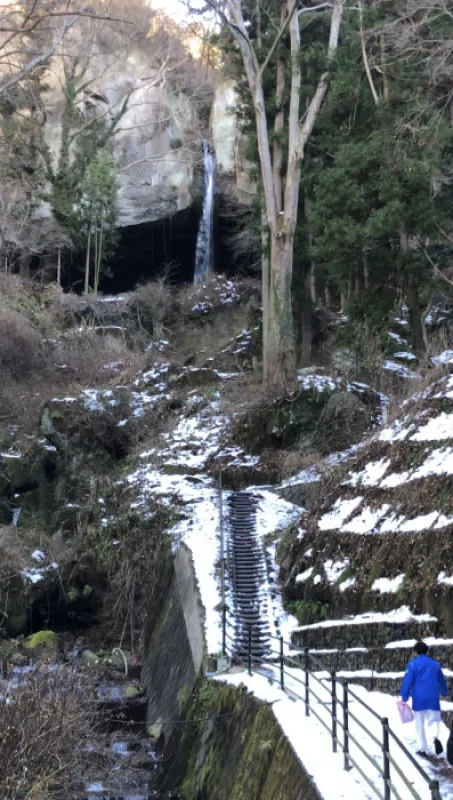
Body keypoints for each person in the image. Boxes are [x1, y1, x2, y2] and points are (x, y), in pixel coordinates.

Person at [400, 640, 448, 756]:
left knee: (419, 725)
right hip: (433, 699)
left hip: (419, 699)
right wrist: (444, 691)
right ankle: (435, 738)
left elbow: (407, 681)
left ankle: (422, 749)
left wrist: (404, 696)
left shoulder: (412, 665)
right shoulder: (435, 665)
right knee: (433, 721)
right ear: (427, 651)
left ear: (416, 651)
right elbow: (441, 680)